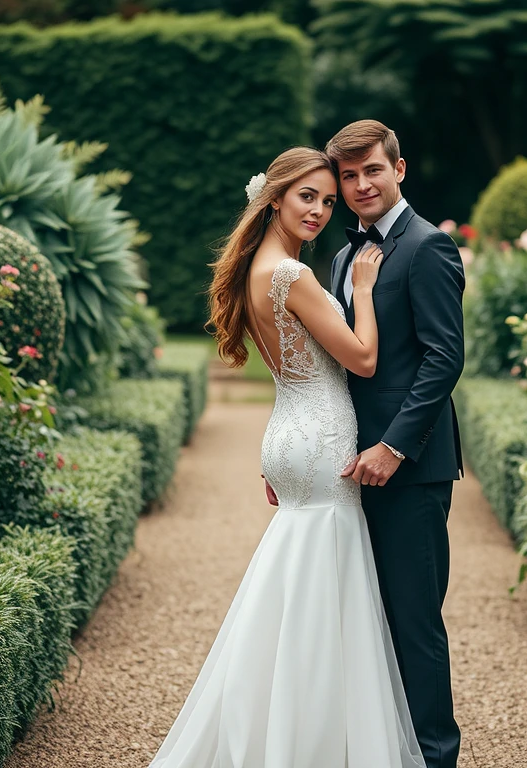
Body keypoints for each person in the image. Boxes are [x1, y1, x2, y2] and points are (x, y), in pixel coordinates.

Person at [149, 145, 425, 768]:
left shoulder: (259, 268)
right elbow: (362, 358)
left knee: (293, 575)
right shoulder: (293, 275)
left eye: (329, 201)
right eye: (308, 197)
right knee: (324, 581)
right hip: (321, 435)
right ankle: (313, 735)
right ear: (274, 199)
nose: (321, 210)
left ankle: (279, 724)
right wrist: (363, 286)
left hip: (289, 432)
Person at [322, 119, 465, 768]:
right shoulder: (340, 257)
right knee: (360, 624)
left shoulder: (428, 246)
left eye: (371, 170)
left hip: (408, 472)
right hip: (349, 469)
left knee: (413, 625)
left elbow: (443, 360)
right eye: (348, 176)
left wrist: (394, 448)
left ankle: (435, 759)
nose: (359, 185)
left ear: (398, 170)